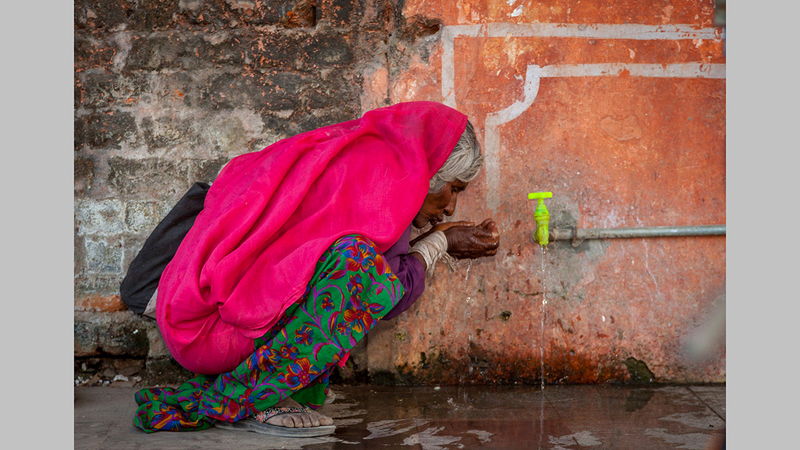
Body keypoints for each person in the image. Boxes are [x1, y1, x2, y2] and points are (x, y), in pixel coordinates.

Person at [131, 101, 500, 437]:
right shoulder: (385, 188)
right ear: (431, 170)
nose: (450, 207)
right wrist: (441, 243)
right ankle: (260, 399)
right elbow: (385, 292)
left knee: (353, 263)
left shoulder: (362, 155)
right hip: (209, 331)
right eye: (453, 189)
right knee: (356, 265)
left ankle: (269, 386)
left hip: (190, 314)